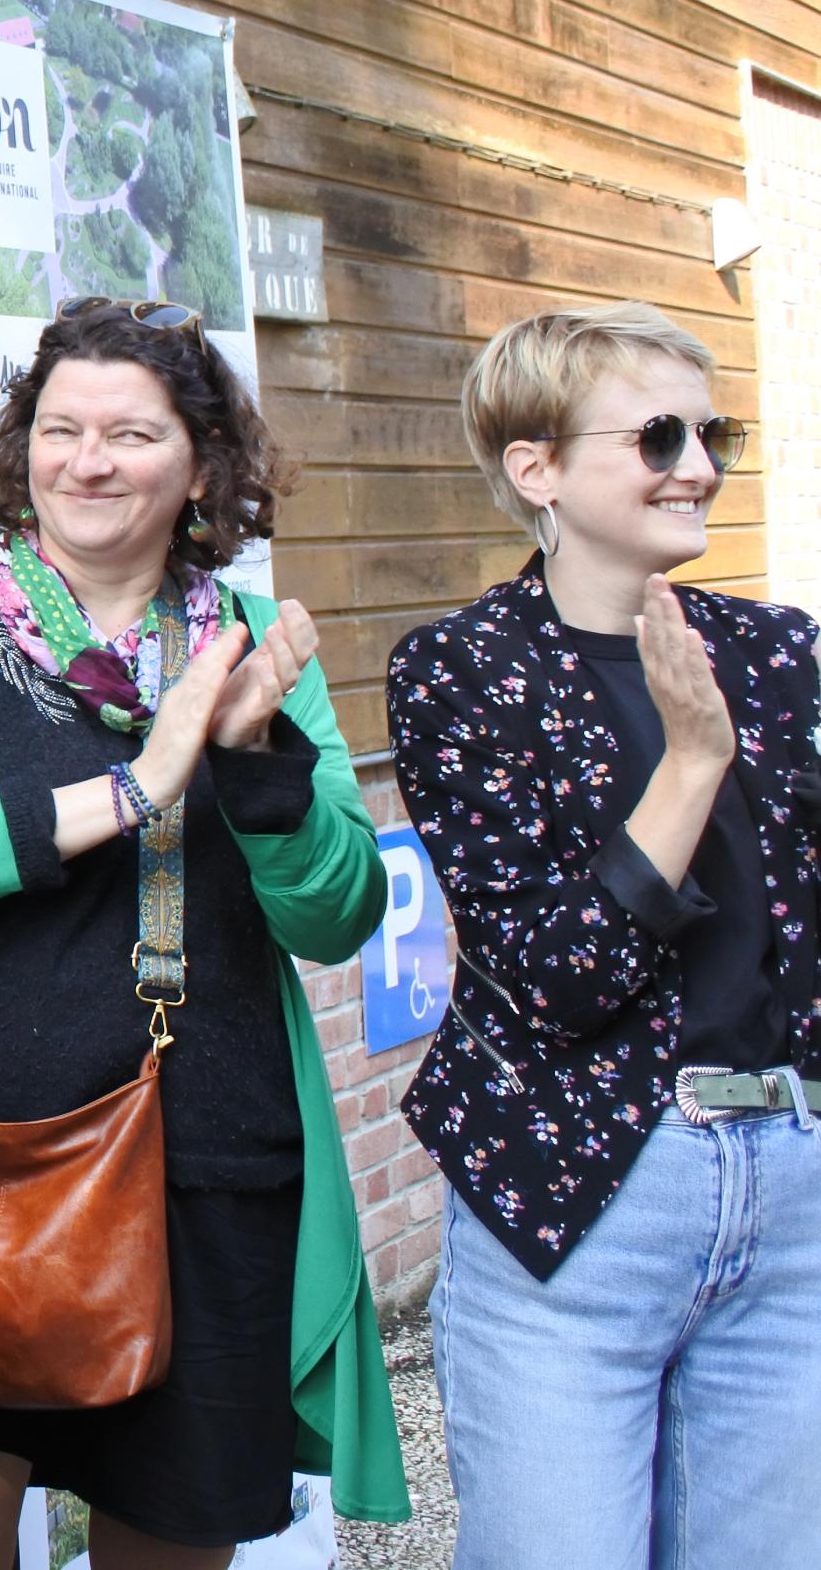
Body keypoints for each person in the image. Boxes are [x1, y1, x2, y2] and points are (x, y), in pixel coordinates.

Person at [0, 298, 406, 1569]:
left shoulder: (258, 647)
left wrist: (253, 757)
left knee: (176, 1538)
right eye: (59, 428)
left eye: (131, 434)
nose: (86, 461)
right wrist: (140, 780)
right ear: (21, 448)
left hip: (207, 1168)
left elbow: (339, 909)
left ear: (201, 464)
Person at [385, 302, 819, 1570]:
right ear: (539, 469)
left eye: (714, 431)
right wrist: (692, 765)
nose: (699, 463)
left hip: (787, 1188)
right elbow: (558, 976)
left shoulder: (779, 650)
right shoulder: (461, 672)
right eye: (660, 434)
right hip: (579, 1208)